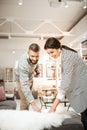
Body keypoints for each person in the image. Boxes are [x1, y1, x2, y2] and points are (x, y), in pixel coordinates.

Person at [44, 37, 87, 130]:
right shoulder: (65, 55)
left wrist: (53, 107)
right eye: (48, 53)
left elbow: (66, 81)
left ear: (58, 48)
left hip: (85, 89)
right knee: (84, 119)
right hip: (83, 90)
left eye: (52, 52)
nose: (51, 55)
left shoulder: (67, 57)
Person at [15, 43, 41, 112]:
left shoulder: (35, 58)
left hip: (30, 79)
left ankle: (27, 115)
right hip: (21, 81)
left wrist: (37, 70)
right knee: (24, 101)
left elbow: (36, 63)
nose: (35, 59)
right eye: (32, 56)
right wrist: (34, 105)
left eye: (37, 56)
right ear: (28, 53)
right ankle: (24, 120)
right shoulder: (23, 63)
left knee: (28, 100)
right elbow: (24, 85)